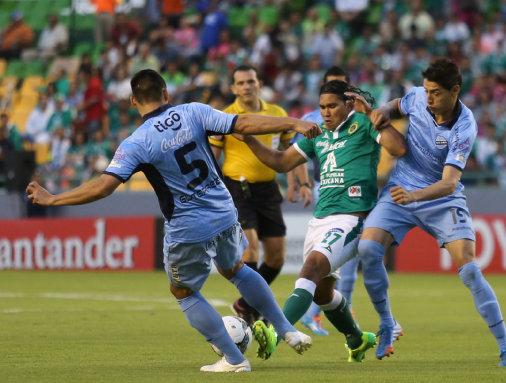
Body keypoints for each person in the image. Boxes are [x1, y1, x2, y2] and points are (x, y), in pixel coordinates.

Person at [26, 69, 319, 373]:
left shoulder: (136, 142)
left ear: (132, 101)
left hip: (188, 226)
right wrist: (293, 122)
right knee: (237, 269)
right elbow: (241, 123)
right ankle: (287, 329)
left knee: (183, 291)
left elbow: (104, 185)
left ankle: (234, 360)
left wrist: (54, 198)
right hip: (224, 211)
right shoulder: (194, 111)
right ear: (166, 93)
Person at [356, 58, 506, 366]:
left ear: (455, 90)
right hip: (401, 188)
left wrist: (414, 196)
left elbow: (449, 183)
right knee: (367, 248)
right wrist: (381, 113)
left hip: (440, 199)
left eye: (436, 92)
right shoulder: (418, 97)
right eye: (427, 90)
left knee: (470, 269)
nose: (428, 97)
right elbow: (395, 106)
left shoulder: (465, 126)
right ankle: (388, 323)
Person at [236, 80, 407, 362]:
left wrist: (374, 117)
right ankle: (356, 338)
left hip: (353, 218)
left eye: (332, 106)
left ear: (348, 104)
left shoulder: (363, 125)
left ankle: (276, 333)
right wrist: (251, 140)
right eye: (322, 107)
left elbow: (398, 149)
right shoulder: (319, 134)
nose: (325, 112)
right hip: (320, 220)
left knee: (311, 268)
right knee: (323, 293)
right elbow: (281, 162)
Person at [210, 65, 312, 325]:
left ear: (259, 84)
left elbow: (294, 153)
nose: (246, 86)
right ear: (233, 88)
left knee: (277, 257)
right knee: (251, 250)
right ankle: (255, 308)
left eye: (251, 81)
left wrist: (302, 183)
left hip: (268, 190)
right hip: (237, 189)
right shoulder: (226, 117)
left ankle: (245, 304)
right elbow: (213, 158)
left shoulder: (277, 114)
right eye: (241, 83)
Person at [296, 66, 356, 336]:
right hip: (325, 187)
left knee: (346, 264)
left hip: (350, 191)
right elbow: (297, 153)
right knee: (323, 263)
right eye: (330, 85)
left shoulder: (357, 118)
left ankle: (342, 309)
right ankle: (313, 315)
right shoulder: (313, 118)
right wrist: (305, 184)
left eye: (341, 87)